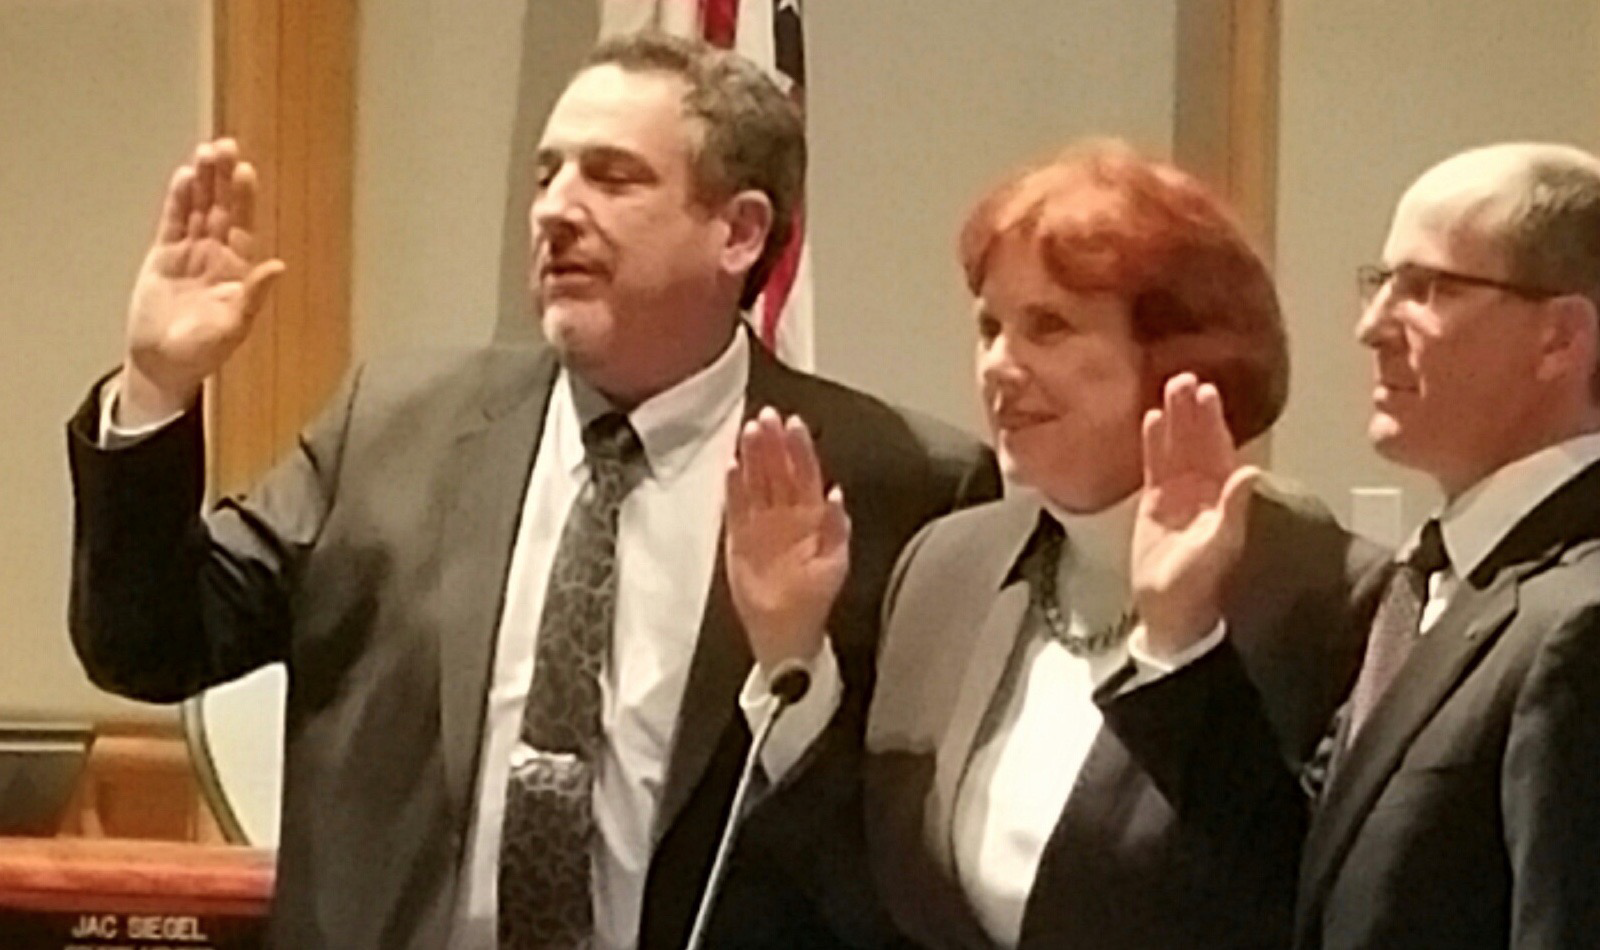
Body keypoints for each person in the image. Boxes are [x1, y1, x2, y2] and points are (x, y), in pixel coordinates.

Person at [65, 32, 995, 950]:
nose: (555, 209)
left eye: (613, 177)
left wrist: (799, 669)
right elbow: (147, 645)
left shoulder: (901, 486)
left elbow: (902, 863)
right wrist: (157, 390)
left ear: (740, 231)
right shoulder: (393, 427)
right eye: (547, 173)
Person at [724, 141, 1383, 949]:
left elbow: (1285, 912)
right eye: (989, 326)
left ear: (1179, 358)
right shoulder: (948, 566)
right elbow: (872, 902)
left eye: (1049, 327)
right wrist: (791, 652)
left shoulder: (1334, 599)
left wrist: (1182, 648)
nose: (999, 366)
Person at [1293, 142, 1600, 949]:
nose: (1371, 327)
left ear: (1560, 339)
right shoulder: (1422, 584)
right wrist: (1177, 637)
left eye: (1425, 287)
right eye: (1379, 282)